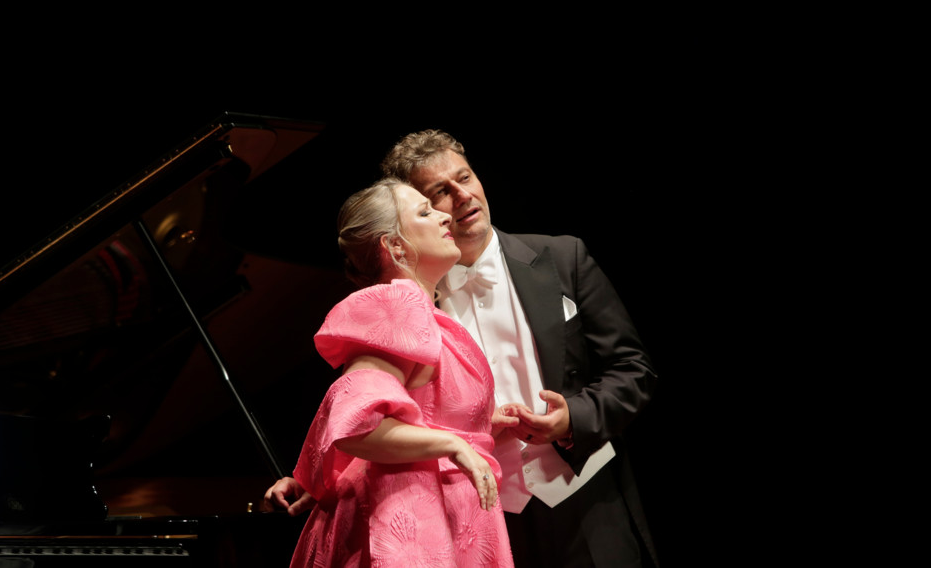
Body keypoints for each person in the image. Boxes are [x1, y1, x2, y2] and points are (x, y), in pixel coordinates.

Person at [266, 130, 659, 568]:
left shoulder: (562, 257)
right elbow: (363, 410)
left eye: (465, 177)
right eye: (437, 194)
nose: (462, 196)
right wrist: (323, 476)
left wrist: (573, 418)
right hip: (477, 515)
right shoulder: (408, 298)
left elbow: (634, 368)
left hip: (582, 498)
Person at [283, 177, 515, 567]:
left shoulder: (425, 315)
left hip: (440, 511)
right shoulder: (399, 301)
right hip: (410, 521)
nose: (444, 216)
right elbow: (359, 426)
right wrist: (454, 445)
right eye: (425, 212)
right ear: (394, 246)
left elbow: (421, 411)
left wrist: (486, 422)